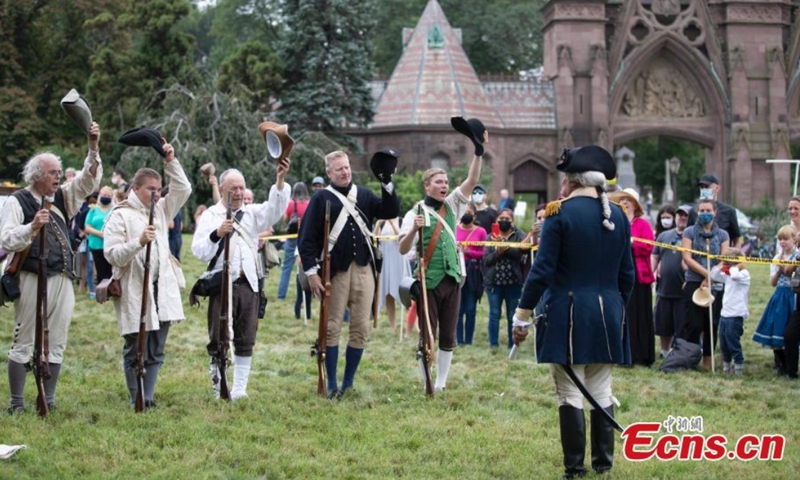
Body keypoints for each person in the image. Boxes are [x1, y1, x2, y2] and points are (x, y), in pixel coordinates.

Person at [512, 145, 634, 478]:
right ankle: (604, 465)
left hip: (568, 311)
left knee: (570, 393)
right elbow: (628, 276)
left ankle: (575, 468)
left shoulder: (558, 213)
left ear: (571, 180)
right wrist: (616, 307)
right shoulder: (620, 216)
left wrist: (521, 314)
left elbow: (542, 271)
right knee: (601, 390)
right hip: (609, 311)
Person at [0, 122, 103, 413]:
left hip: (61, 277)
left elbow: (87, 181)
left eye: (59, 172)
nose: (58, 177)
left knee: (57, 338)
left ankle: (49, 398)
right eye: (52, 173)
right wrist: (31, 227)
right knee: (24, 339)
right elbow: (6, 238)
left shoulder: (61, 197)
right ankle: (17, 403)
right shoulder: (17, 201)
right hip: (31, 276)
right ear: (36, 176)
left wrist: (92, 147)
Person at [299, 150, 400, 398]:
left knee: (360, 328)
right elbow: (307, 239)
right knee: (332, 327)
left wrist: (387, 182)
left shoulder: (363, 194)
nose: (345, 172)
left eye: (346, 167)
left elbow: (389, 210)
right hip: (335, 272)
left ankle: (349, 383)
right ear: (329, 173)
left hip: (364, 269)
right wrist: (312, 273)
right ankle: (331, 383)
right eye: (339, 169)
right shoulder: (321, 197)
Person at [192, 164, 290, 400]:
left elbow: (275, 209)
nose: (238, 192)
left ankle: (239, 389)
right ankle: (219, 387)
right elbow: (198, 250)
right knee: (219, 338)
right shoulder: (211, 216)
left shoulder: (252, 213)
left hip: (249, 284)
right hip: (221, 285)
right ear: (222, 188)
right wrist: (217, 234)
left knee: (246, 337)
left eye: (241, 188)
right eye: (233, 188)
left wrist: (279, 181)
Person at [104, 144, 191, 408]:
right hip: (134, 287)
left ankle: (148, 397)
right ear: (135, 188)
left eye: (158, 189)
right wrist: (139, 242)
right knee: (135, 346)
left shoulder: (162, 210)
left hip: (160, 287)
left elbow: (184, 188)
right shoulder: (119, 215)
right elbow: (112, 255)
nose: (156, 193)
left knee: (156, 347)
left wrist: (171, 161)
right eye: (150, 189)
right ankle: (136, 398)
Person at [398, 138, 486, 392]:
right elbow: (403, 249)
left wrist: (478, 154)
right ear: (427, 185)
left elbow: (471, 181)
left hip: (452, 278)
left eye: (446, 182)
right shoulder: (414, 212)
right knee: (427, 333)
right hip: (427, 279)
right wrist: (414, 229)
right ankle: (426, 379)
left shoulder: (453, 205)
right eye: (439, 182)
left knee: (448, 335)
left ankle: (441, 383)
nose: (444, 186)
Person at [679, 198, 730, 370]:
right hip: (694, 281)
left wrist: (711, 277)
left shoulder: (723, 235)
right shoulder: (689, 232)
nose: (704, 213)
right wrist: (706, 274)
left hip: (715, 284)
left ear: (715, 212)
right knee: (693, 323)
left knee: (711, 323)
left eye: (708, 210)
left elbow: (724, 259)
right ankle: (691, 359)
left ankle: (708, 361)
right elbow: (687, 257)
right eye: (701, 211)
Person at [610, 188, 655, 367]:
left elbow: (648, 247)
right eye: (622, 200)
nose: (625, 202)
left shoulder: (642, 224)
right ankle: (622, 354)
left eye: (628, 200)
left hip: (639, 276)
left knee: (640, 316)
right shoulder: (616, 222)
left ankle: (641, 354)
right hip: (619, 275)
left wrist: (632, 243)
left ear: (635, 205)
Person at [753, 225, 797, 374]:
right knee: (776, 328)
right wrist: (778, 270)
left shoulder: (797, 256)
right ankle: (781, 364)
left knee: (790, 332)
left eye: (786, 239)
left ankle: (791, 364)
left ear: (794, 239)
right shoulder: (776, 258)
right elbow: (772, 282)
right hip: (780, 295)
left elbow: (793, 276)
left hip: (793, 295)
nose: (783, 242)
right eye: (780, 239)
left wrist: (785, 267)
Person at [483, 208, 527, 349]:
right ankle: (493, 345)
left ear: (512, 221)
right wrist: (498, 252)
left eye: (507, 219)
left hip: (514, 283)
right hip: (494, 283)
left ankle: (512, 344)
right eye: (501, 219)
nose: (504, 221)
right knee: (494, 314)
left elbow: (521, 254)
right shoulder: (490, 237)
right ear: (496, 221)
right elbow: (487, 260)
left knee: (511, 316)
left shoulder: (519, 235)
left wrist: (506, 248)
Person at [651, 205, 690, 358]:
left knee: (682, 324)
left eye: (685, 215)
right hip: (664, 288)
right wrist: (651, 274)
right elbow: (655, 256)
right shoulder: (664, 236)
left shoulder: (691, 237)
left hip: (683, 290)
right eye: (680, 215)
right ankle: (664, 351)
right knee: (663, 322)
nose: (682, 218)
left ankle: (679, 352)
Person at [710, 247, 750, 376]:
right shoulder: (727, 275)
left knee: (733, 344)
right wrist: (721, 266)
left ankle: (738, 368)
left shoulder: (743, 274)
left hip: (736, 314)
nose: (726, 265)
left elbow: (734, 276)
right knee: (724, 344)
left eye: (728, 262)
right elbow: (714, 275)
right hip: (725, 314)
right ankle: (726, 368)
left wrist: (736, 267)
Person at [456, 203, 486, 345]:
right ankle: (458, 339)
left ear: (474, 215)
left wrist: (469, 252)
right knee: (457, 309)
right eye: (464, 212)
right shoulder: (454, 229)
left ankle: (468, 340)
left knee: (470, 308)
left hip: (473, 273)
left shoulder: (481, 232)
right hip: (457, 271)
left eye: (469, 212)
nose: (466, 214)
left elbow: (484, 253)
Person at [689, 174, 741, 247]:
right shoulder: (693, 211)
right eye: (701, 187)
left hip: (722, 255)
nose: (704, 189)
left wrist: (734, 256)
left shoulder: (729, 211)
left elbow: (737, 240)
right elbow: (688, 237)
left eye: (707, 187)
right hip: (698, 256)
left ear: (717, 188)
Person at [278, 182, 310, 300]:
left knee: (286, 267)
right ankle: (308, 292)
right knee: (308, 265)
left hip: (292, 237)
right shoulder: (310, 203)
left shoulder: (291, 203)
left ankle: (281, 295)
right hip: (306, 237)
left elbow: (286, 219)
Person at [375, 217, 407, 329]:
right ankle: (393, 325)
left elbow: (402, 237)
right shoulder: (382, 222)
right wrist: (378, 224)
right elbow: (375, 238)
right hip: (385, 260)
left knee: (403, 291)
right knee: (388, 294)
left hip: (397, 260)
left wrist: (393, 224)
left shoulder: (401, 221)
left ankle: (411, 324)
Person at [84, 186, 115, 284]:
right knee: (100, 269)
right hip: (96, 245)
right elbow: (87, 227)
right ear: (99, 196)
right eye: (103, 195)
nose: (105, 197)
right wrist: (100, 234)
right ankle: (101, 291)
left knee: (110, 270)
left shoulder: (115, 210)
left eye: (108, 195)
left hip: (111, 245)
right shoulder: (93, 210)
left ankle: (111, 290)